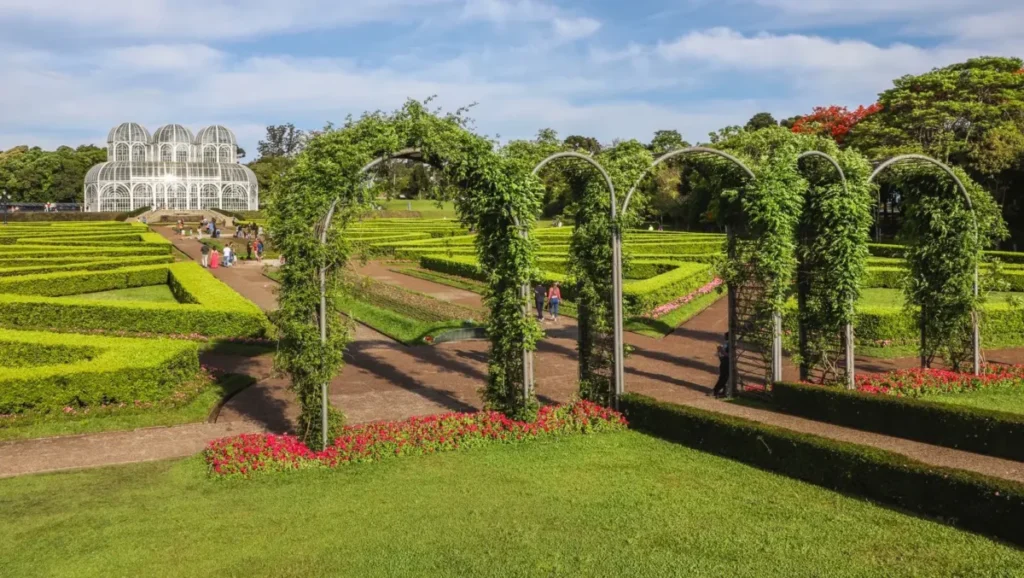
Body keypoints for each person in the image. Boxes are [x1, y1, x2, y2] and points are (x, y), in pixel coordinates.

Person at [712, 332, 730, 399]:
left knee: (724, 378)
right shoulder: (727, 344)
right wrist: (720, 352)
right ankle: (723, 392)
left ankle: (716, 391)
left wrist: (721, 351)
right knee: (724, 377)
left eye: (725, 336)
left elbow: (729, 355)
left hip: (727, 362)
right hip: (724, 362)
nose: (724, 338)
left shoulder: (729, 344)